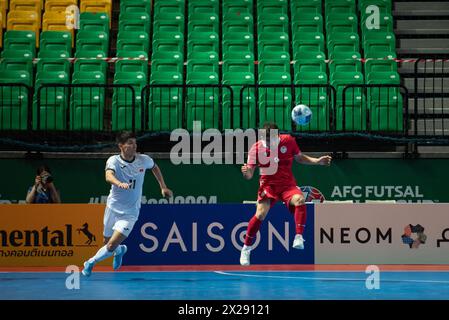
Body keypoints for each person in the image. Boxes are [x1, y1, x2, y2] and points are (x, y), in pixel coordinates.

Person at [82, 131, 173, 276]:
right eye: (130, 143)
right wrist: (119, 183)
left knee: (111, 245)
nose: (134, 146)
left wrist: (163, 186)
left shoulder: (143, 160)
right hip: (112, 207)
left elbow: (155, 167)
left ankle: (90, 262)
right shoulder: (114, 161)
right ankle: (120, 251)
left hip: (130, 213)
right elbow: (108, 175)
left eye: (135, 143)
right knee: (107, 243)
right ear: (121, 146)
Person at [240, 122, 332, 266]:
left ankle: (299, 237)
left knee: (300, 200)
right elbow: (249, 175)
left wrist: (317, 161)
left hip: (287, 185)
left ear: (278, 135)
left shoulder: (288, 141)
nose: (269, 142)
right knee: (260, 215)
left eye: (272, 139)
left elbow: (299, 158)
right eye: (267, 139)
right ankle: (246, 248)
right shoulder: (256, 149)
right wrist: (246, 173)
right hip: (268, 186)